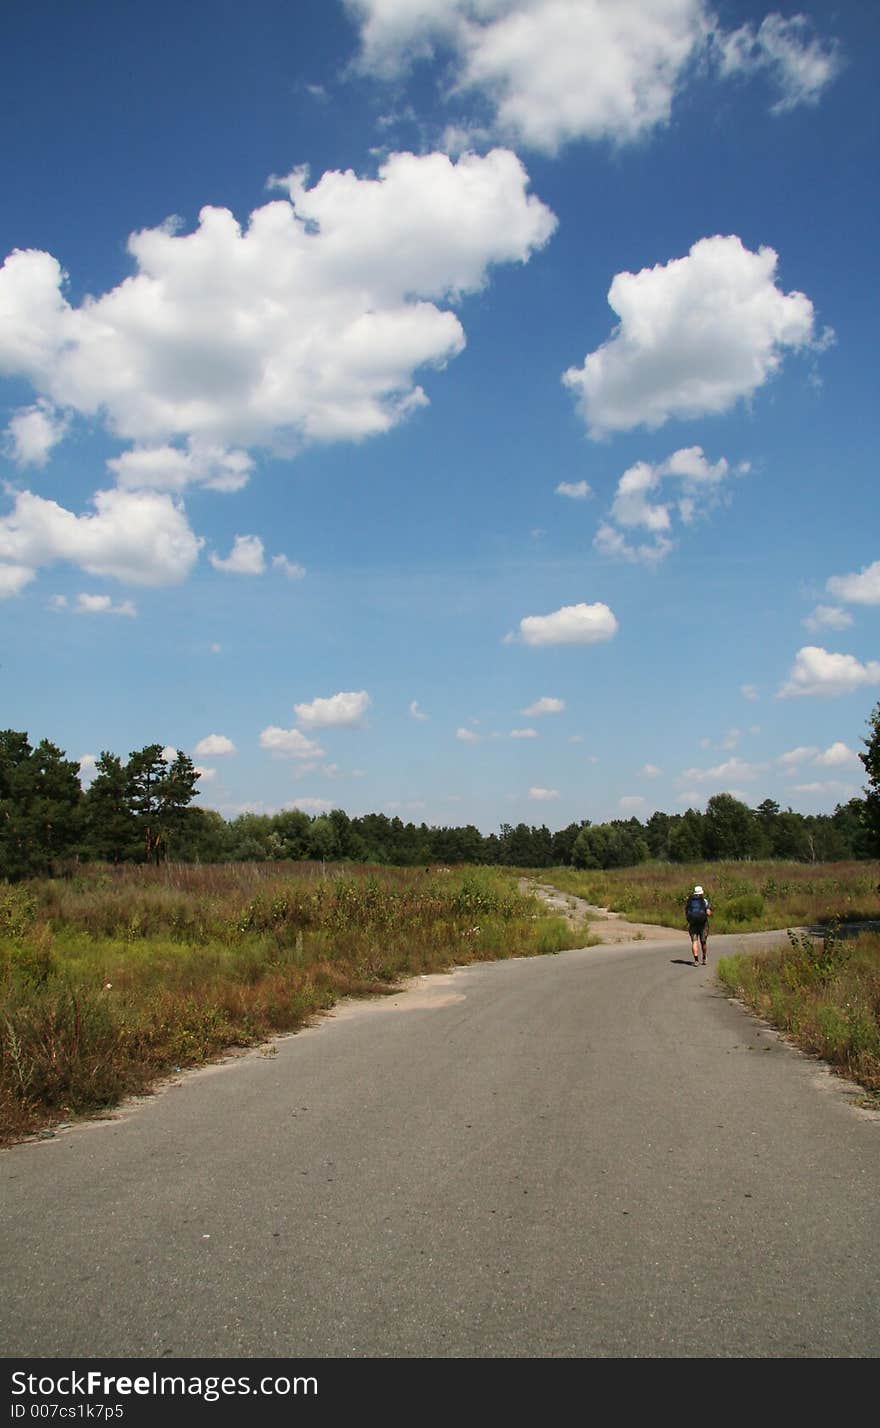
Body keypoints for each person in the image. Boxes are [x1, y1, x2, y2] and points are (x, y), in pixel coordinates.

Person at [685, 884, 712, 965]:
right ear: (701, 893)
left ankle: (696, 960)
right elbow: (709, 913)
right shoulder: (705, 901)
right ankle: (704, 957)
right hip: (703, 924)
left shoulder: (690, 901)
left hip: (692, 924)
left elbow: (686, 913)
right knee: (703, 942)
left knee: (694, 941)